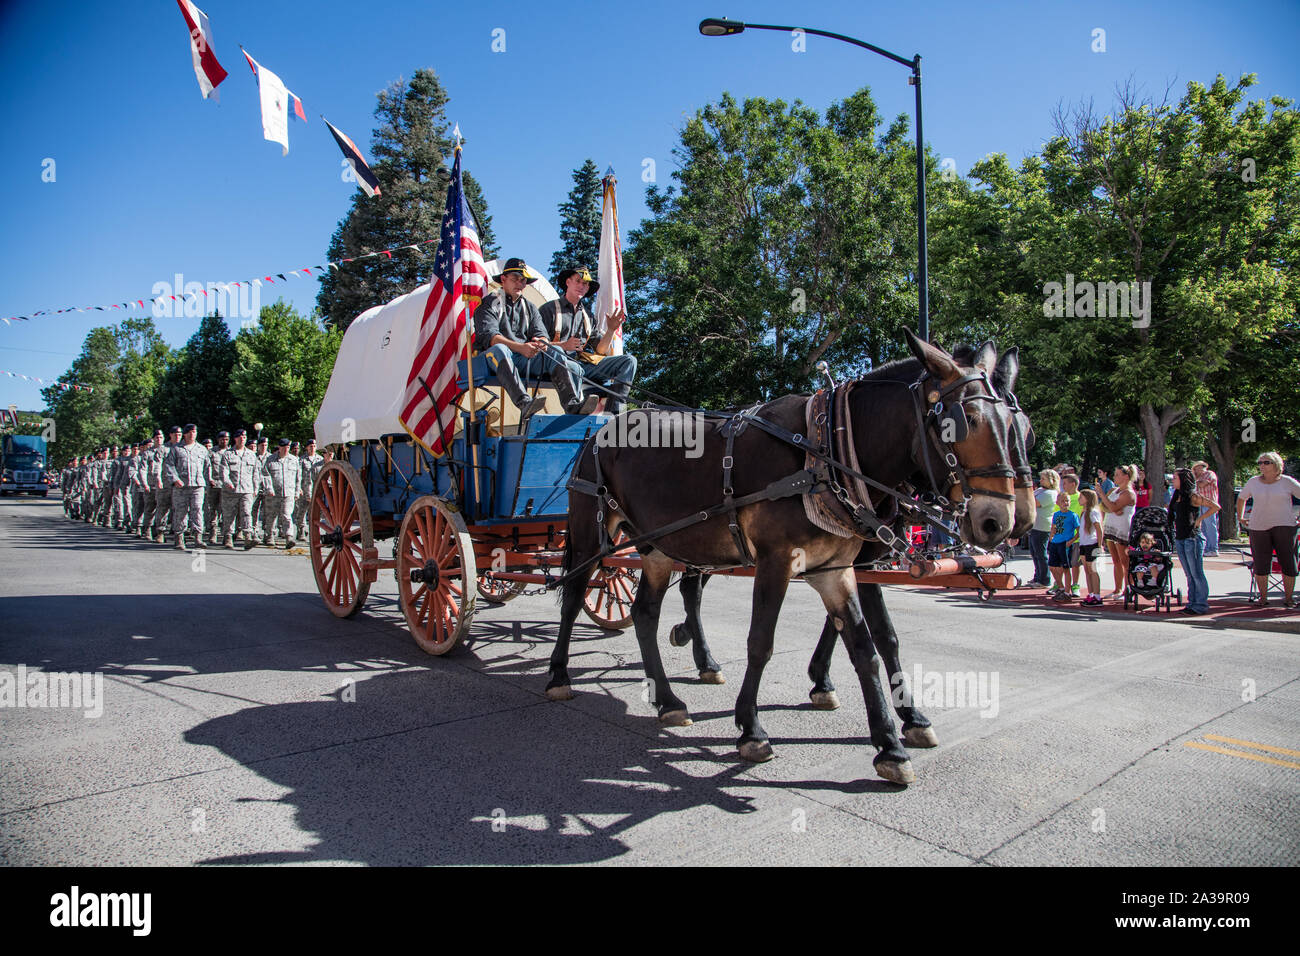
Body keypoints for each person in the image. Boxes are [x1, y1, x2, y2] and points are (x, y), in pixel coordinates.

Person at [537, 264, 638, 415]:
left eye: (585, 284)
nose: (581, 286)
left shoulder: (588, 316)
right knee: (572, 366)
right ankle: (575, 411)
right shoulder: (549, 309)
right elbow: (537, 343)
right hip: (555, 366)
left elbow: (600, 350)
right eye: (578, 281)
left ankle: (615, 412)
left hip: (582, 365)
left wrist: (610, 330)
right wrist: (564, 345)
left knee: (629, 361)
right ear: (568, 282)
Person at [472, 258, 550, 419]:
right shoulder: (490, 303)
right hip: (490, 358)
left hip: (521, 357)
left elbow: (541, 333)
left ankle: (574, 404)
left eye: (523, 281)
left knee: (555, 353)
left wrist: (542, 343)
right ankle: (524, 403)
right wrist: (521, 347)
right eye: (515, 278)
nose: (520, 284)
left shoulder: (529, 308)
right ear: (503, 279)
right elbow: (490, 337)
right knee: (499, 349)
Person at [1237, 451, 1300, 608]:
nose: (1262, 466)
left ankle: (1289, 598)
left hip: (1285, 525)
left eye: (1266, 463)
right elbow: (1241, 498)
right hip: (1258, 526)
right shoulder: (1253, 481)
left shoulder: (1287, 482)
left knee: (1288, 562)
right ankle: (1263, 598)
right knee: (1261, 562)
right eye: (1260, 463)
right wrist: (1240, 517)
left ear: (1276, 464)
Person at [1168, 467, 1215, 615]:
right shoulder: (1176, 495)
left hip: (1192, 537)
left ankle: (1200, 604)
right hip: (1181, 537)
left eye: (1175, 478)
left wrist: (1199, 519)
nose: (1172, 480)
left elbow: (1215, 506)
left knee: (1196, 573)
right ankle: (1192, 603)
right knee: (1189, 574)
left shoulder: (1192, 496)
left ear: (1183, 479)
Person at [164, 424, 208, 550]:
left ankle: (198, 538)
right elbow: (169, 465)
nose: (192, 434)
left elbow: (207, 467)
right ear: (185, 434)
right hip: (181, 487)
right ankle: (179, 538)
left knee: (198, 510)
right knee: (180, 511)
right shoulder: (176, 449)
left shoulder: (201, 449)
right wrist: (175, 479)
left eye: (194, 432)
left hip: (197, 486)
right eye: (189, 432)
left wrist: (205, 483)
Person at [1098, 464, 1137, 599]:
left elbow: (1112, 506)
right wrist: (1112, 507)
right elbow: (1104, 506)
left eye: (1117, 474)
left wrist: (1107, 501)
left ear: (1126, 477)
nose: (1115, 477)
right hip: (1111, 527)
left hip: (1122, 529)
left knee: (1125, 561)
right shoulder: (1114, 490)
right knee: (1115, 560)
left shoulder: (1129, 493)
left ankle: (1128, 589)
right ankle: (1117, 589)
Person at [219, 428, 259, 550]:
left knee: (247, 513)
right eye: (240, 437)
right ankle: (228, 537)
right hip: (231, 490)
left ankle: (248, 537)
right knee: (229, 514)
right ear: (235, 438)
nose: (242, 439)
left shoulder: (251, 455)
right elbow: (223, 471)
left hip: (247, 490)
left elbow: (255, 473)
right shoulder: (228, 454)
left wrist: (255, 488)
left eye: (244, 437)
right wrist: (227, 482)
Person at [262, 438, 301, 549]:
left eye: (288, 447)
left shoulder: (294, 460)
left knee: (287, 515)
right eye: (284, 447)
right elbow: (265, 475)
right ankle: (269, 536)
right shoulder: (270, 459)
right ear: (279, 447)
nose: (286, 450)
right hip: (273, 493)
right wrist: (269, 488)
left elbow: (298, 478)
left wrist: (297, 491)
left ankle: (289, 537)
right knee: (271, 515)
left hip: (288, 492)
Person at [1028, 468, 1059, 588]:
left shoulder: (1051, 493)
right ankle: (1038, 576)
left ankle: (1044, 580)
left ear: (1051, 480)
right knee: (1034, 552)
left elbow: (1033, 502)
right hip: (1035, 524)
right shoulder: (1041, 490)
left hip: (1043, 526)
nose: (1041, 480)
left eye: (1043, 478)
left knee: (1041, 553)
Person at [1047, 491, 1080, 602]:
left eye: (1067, 501)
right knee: (1052, 566)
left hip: (1065, 543)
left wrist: (1071, 541)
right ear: (1057, 503)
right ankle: (1060, 587)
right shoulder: (1056, 514)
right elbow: (1054, 527)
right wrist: (1051, 537)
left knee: (1065, 568)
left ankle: (1066, 591)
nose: (1065, 503)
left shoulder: (1073, 515)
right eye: (1063, 501)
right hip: (1055, 542)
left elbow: (1079, 531)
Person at [1076, 488, 1106, 606]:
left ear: (1087, 499)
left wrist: (1099, 545)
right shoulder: (1084, 512)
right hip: (1083, 544)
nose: (1079, 499)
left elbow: (1099, 529)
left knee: (1093, 570)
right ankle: (1091, 594)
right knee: (1087, 570)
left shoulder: (1093, 512)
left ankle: (1097, 596)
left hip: (1091, 544)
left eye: (1081, 497)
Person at [1061, 473, 1083, 596]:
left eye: (1065, 483)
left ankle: (1075, 585)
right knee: (1061, 564)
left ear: (1073, 484)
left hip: (1075, 537)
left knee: (1075, 564)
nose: (1063, 485)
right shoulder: (1061, 497)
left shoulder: (1080, 498)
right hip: (1061, 537)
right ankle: (1060, 584)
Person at [294, 439, 322, 536]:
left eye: (314, 446)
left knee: (314, 512)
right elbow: (297, 475)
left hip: (316, 489)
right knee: (301, 511)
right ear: (307, 448)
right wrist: (299, 488)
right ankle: (301, 530)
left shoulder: (320, 459)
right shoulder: (301, 460)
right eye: (310, 446)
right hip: (304, 489)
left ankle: (313, 532)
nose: (312, 447)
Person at [1192, 461, 1220, 556]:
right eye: (1195, 468)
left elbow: (1202, 484)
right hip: (1200, 504)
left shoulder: (1209, 473)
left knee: (1210, 526)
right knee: (1203, 526)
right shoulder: (1197, 478)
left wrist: (1197, 481)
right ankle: (1206, 548)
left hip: (1209, 504)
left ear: (1202, 467)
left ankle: (1213, 548)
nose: (1196, 470)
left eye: (1197, 468)